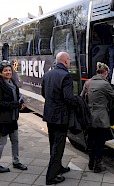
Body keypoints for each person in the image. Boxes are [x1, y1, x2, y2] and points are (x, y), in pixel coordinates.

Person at [80, 62, 114, 173]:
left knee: (91, 141)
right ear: (106, 72)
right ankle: (98, 165)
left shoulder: (88, 82)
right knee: (100, 142)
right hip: (101, 118)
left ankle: (91, 163)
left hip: (89, 117)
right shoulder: (105, 84)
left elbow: (82, 98)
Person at [42, 52, 78, 185]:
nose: (70, 61)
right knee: (59, 146)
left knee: (53, 143)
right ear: (65, 61)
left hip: (49, 115)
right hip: (61, 117)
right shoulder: (66, 76)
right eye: (69, 59)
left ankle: (59, 167)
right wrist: (77, 103)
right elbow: (68, 97)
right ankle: (51, 177)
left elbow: (44, 93)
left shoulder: (48, 74)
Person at [0, 60, 27, 173]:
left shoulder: (12, 83)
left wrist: (21, 104)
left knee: (15, 141)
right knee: (2, 142)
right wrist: (15, 105)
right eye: (5, 70)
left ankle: (16, 161)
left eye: (9, 70)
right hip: (2, 119)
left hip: (12, 117)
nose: (8, 72)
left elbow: (15, 98)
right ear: (1, 73)